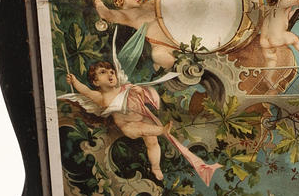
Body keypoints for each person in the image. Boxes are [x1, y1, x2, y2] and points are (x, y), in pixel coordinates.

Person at [62, 59, 219, 186]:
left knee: (152, 143)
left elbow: (143, 99)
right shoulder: (100, 97)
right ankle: (161, 131)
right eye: (103, 72)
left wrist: (140, 92)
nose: (110, 74)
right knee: (141, 129)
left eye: (112, 72)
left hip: (142, 117)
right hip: (128, 126)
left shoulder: (125, 88)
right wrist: (74, 82)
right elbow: (85, 91)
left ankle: (155, 167)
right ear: (96, 82)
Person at [92, 0, 178, 71]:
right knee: (158, 55)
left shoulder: (147, 5)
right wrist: (98, 3)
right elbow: (107, 14)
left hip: (178, 39)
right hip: (164, 48)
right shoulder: (126, 15)